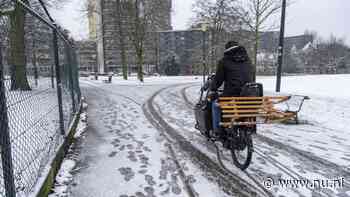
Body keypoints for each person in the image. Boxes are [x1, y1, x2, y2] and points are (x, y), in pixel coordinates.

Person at [210, 41, 254, 138]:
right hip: (248, 96)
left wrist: (213, 89)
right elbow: (252, 78)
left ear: (227, 50)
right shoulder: (248, 61)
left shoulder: (224, 61)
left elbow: (218, 79)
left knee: (215, 105)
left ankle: (217, 130)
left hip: (231, 96)